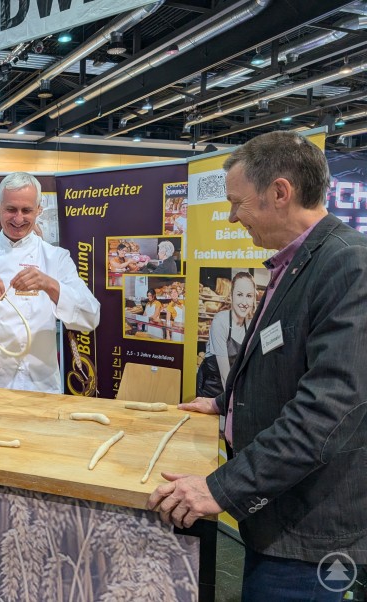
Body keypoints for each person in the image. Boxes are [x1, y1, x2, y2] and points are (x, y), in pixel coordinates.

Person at [147, 131, 367, 600]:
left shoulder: (348, 265)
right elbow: (284, 359)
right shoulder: (300, 261)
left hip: (309, 532)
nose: (231, 217)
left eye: (237, 203)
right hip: (279, 517)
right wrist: (224, 404)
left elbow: (330, 410)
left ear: (281, 192)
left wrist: (221, 490)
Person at [0, 172, 100, 393]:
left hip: (37, 386)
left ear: (39, 210)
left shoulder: (56, 258)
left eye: (27, 210)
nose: (18, 219)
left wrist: (51, 285)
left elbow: (91, 317)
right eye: (11, 209)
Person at [196, 271, 256, 397]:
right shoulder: (220, 321)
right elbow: (225, 375)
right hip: (211, 389)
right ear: (232, 296)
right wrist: (235, 405)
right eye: (240, 294)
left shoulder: (251, 326)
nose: (244, 302)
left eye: (249, 296)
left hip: (234, 389)